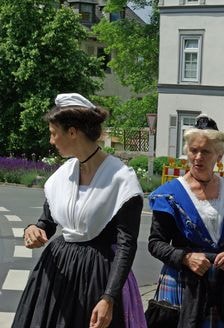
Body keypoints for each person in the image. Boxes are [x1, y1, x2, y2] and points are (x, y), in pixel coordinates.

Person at [13, 93, 146, 328]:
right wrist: (34, 229)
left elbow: (126, 245)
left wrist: (109, 298)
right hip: (57, 275)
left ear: (72, 132)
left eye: (54, 133)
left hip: (97, 276)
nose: (51, 141)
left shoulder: (121, 180)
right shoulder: (63, 175)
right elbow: (48, 220)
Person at [148, 114, 224, 328]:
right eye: (193, 150)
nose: (198, 157)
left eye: (205, 151)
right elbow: (155, 243)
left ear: (219, 155)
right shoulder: (170, 194)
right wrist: (186, 258)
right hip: (181, 283)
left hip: (221, 285)